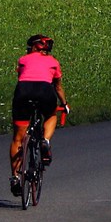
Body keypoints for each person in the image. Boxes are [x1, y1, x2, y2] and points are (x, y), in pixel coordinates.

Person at [9, 33, 69, 196]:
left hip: (23, 92)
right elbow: (57, 87)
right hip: (45, 91)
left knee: (18, 138)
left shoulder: (23, 59)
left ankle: (15, 177)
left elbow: (21, 75)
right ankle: (45, 141)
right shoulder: (53, 62)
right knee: (51, 116)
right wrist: (64, 104)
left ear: (33, 47)